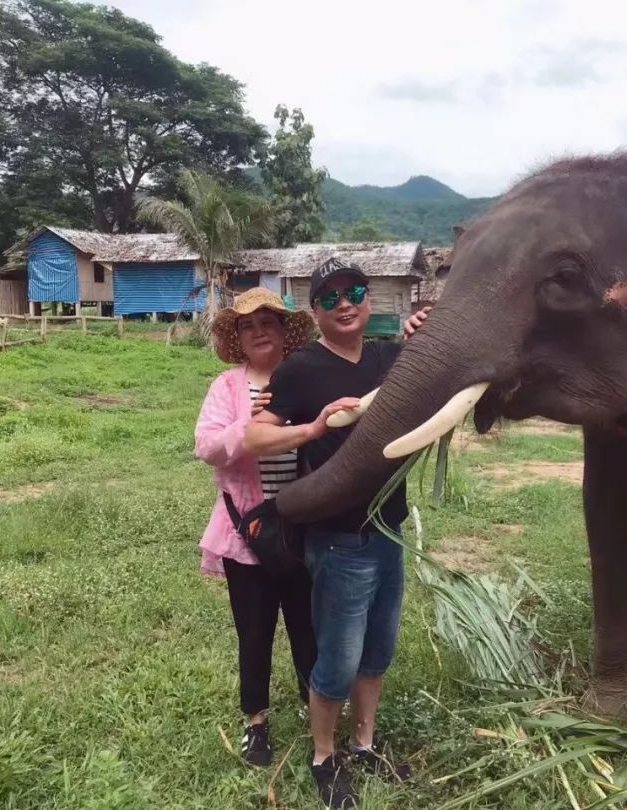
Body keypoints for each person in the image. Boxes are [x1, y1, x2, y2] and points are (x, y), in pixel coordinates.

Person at [243, 258, 430, 809]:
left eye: (354, 292)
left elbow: (442, 369)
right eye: (329, 298)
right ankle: (324, 756)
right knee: (339, 659)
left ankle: (364, 744)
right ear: (314, 310)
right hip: (336, 539)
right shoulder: (300, 369)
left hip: (388, 529)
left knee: (378, 651)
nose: (345, 304)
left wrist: (424, 328)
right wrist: (316, 427)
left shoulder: (388, 357)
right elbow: (255, 436)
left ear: (369, 299)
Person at [193, 287, 320, 767]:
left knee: (309, 629)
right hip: (247, 535)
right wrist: (252, 423)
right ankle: (256, 723)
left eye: (268, 321)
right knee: (254, 632)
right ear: (239, 339)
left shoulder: (302, 379)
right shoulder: (227, 388)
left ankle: (318, 714)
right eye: (248, 325)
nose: (259, 330)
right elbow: (206, 446)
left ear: (284, 331)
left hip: (302, 529)